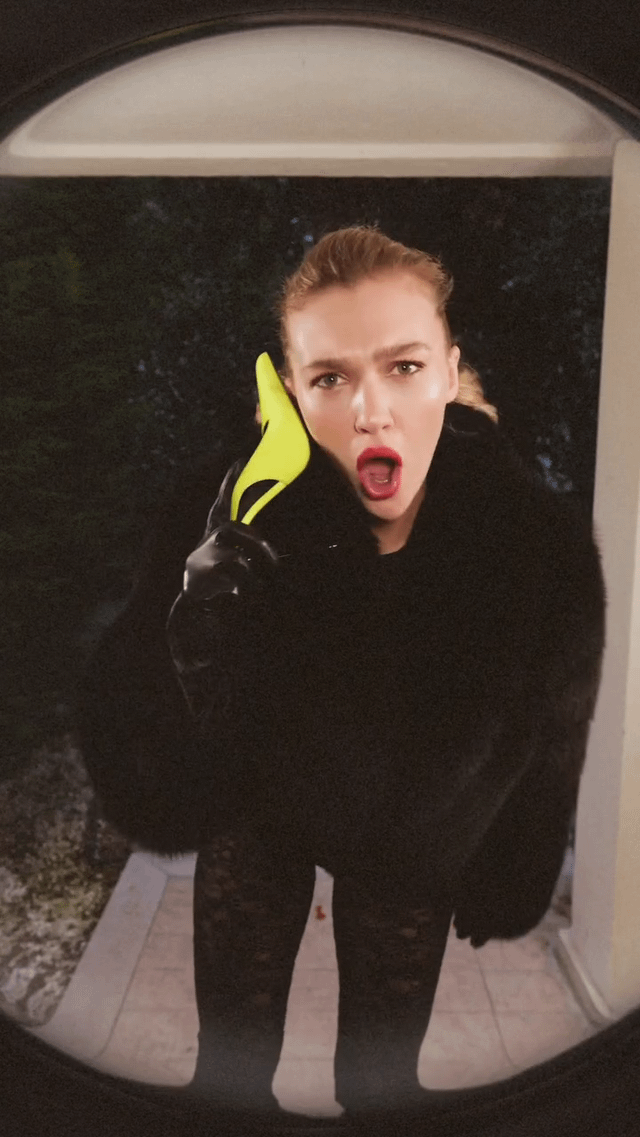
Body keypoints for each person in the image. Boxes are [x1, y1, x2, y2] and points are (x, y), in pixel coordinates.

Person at [77, 226, 605, 1116]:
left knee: (381, 1089)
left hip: (409, 823)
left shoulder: (529, 544)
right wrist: (191, 653)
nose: (371, 412)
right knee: (228, 1079)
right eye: (330, 378)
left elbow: (552, 734)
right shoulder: (230, 512)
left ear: (450, 373)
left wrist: (512, 860)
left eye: (404, 366)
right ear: (290, 391)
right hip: (269, 799)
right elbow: (147, 770)